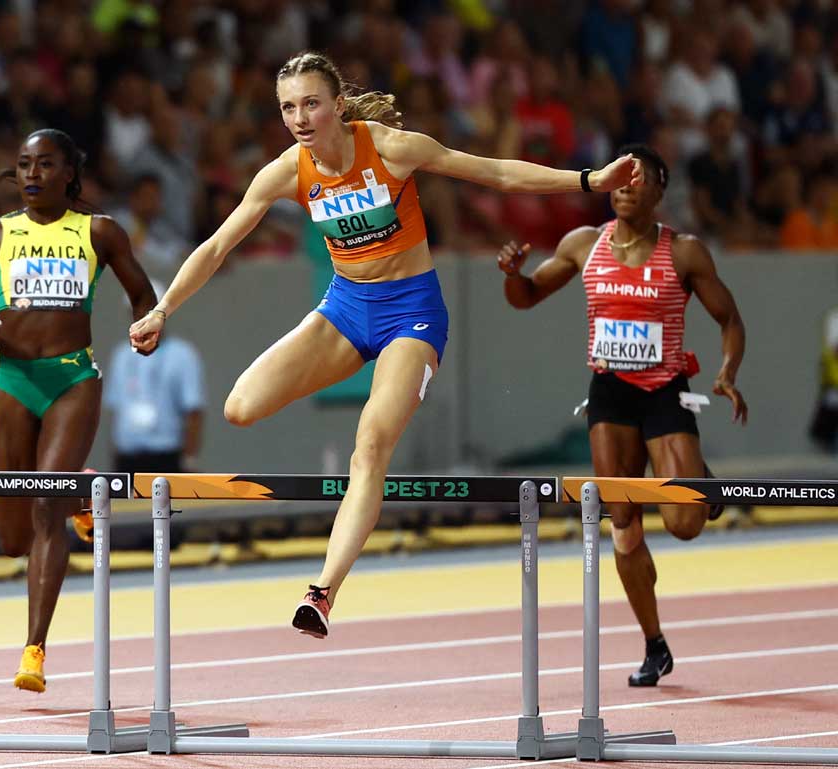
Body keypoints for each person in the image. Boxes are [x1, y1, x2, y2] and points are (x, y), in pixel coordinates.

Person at [128, 50, 641, 640]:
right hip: (346, 308)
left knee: (369, 444)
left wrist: (588, 180)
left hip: (412, 315)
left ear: (337, 105)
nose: (299, 117)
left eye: (311, 103)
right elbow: (217, 246)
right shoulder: (287, 171)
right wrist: (164, 308)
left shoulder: (392, 149)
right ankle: (327, 571)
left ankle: (321, 593)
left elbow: (495, 172)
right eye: (288, 107)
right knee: (240, 407)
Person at [495, 143, 748, 686]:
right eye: (620, 177)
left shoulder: (684, 253)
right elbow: (528, 296)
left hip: (664, 390)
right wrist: (515, 275)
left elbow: (730, 319)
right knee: (623, 522)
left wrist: (726, 373)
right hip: (610, 392)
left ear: (660, 189)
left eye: (640, 177)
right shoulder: (585, 244)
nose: (627, 184)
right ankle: (654, 644)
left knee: (683, 523)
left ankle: (701, 482)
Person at [0, 128, 156, 692]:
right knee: (14, 538)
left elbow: (142, 293)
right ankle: (79, 490)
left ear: (69, 172)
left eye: (44, 164)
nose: (32, 174)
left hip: (72, 379)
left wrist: (146, 326)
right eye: (23, 165)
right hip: (15, 380)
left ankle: (33, 651)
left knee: (44, 505)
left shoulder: (99, 232)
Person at [105, 281, 205, 473]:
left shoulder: (183, 354)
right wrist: (114, 453)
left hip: (166, 454)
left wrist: (190, 457)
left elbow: (193, 410)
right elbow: (115, 409)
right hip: (127, 455)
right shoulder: (121, 355)